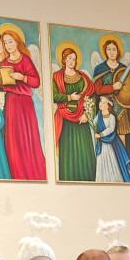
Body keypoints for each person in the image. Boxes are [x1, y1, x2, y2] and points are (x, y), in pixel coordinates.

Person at [92, 33, 130, 183]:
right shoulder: (100, 69)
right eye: (109, 49)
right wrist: (113, 87)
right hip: (106, 108)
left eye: (114, 49)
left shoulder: (122, 69)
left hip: (122, 108)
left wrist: (123, 88)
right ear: (105, 51)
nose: (111, 52)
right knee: (108, 141)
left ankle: (123, 172)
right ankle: (110, 173)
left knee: (122, 140)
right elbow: (98, 90)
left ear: (117, 51)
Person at [0, 27, 46, 180]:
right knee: (13, 139)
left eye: (10, 41)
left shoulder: (25, 60)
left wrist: (22, 77)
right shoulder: (5, 62)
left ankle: (33, 173)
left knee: (27, 137)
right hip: (11, 103)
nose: (8, 45)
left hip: (24, 104)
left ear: (17, 41)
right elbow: (5, 84)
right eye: (5, 43)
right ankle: (17, 173)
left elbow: (36, 81)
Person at [52, 43, 95, 182]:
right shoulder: (57, 77)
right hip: (66, 119)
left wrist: (86, 114)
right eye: (69, 58)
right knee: (69, 153)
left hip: (81, 119)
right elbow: (55, 96)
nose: (72, 62)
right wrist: (70, 97)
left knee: (84, 152)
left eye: (74, 59)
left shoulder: (82, 77)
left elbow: (90, 96)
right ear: (64, 59)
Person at [91, 95, 130, 183]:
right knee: (101, 160)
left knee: (111, 160)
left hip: (110, 143)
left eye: (103, 102)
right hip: (101, 143)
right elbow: (93, 124)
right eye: (100, 101)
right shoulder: (99, 115)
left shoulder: (112, 117)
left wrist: (101, 135)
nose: (100, 104)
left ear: (108, 106)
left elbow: (111, 129)